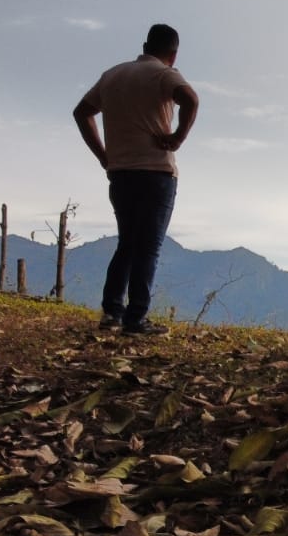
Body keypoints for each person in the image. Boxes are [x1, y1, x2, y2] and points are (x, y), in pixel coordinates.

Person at [74, 23, 199, 335]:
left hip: (120, 172)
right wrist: (178, 137)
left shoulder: (113, 75)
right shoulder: (164, 74)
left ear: (144, 45)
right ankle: (136, 318)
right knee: (148, 247)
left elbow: (82, 112)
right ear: (174, 53)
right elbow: (190, 99)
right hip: (156, 172)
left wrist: (104, 156)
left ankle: (112, 313)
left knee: (127, 244)